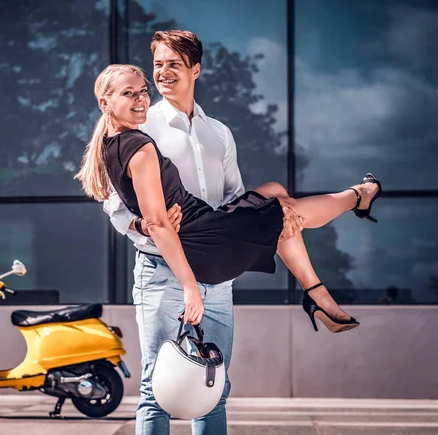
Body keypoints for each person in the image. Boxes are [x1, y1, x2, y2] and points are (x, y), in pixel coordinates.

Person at [81, 71, 381, 435]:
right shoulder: (141, 147)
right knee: (160, 389)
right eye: (129, 94)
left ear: (195, 69)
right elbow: (158, 225)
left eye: (142, 91)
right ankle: (358, 197)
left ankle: (319, 288)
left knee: (273, 193)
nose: (141, 98)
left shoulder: (115, 143)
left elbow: (151, 215)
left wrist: (149, 224)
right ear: (105, 102)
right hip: (201, 245)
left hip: (206, 230)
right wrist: (190, 287)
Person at [102, 30, 246, 435]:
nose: (162, 73)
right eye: (158, 64)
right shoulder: (141, 124)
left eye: (173, 64)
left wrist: (229, 232)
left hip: (216, 278)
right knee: (156, 386)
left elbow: (234, 194)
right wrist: (143, 223)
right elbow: (113, 203)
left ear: (195, 70)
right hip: (161, 273)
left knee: (213, 384)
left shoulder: (219, 133)